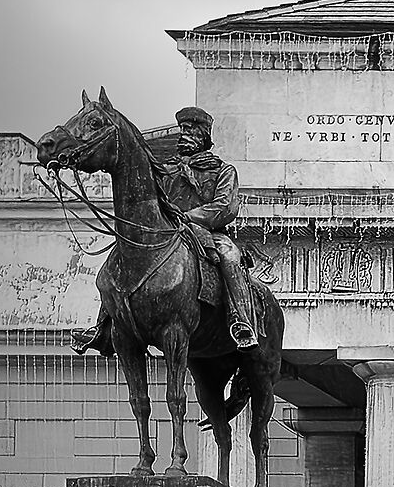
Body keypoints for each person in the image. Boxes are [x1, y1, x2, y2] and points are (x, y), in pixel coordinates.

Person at [74, 106, 259, 354]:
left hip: (208, 232)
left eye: (191, 130)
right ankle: (103, 327)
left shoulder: (223, 170)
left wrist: (189, 216)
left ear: (204, 136)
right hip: (169, 232)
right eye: (183, 129)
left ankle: (241, 321)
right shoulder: (164, 170)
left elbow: (225, 207)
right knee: (122, 258)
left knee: (230, 257)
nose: (185, 134)